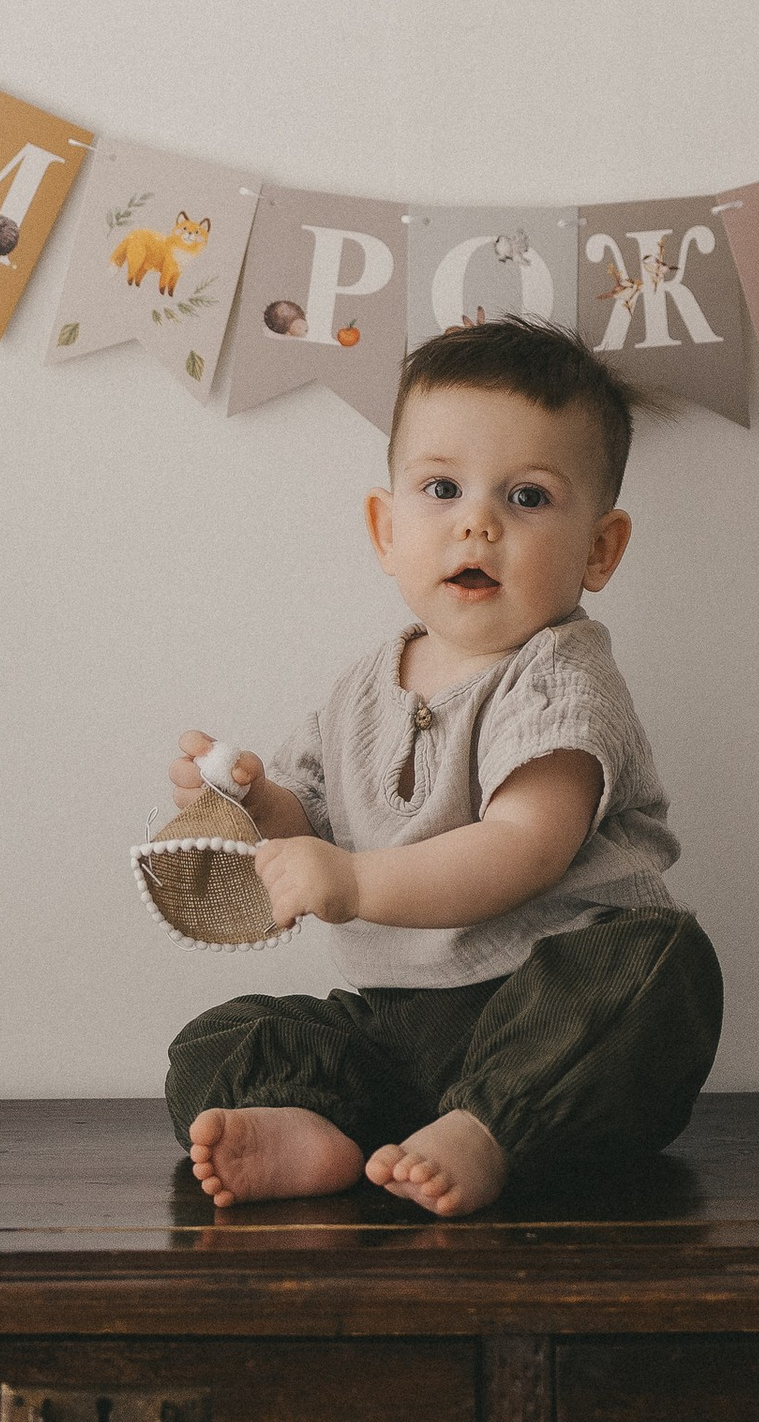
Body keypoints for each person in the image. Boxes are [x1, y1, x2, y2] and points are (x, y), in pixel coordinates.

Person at [166, 315, 722, 1218]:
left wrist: (350, 880)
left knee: (659, 968)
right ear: (386, 528)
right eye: (441, 488)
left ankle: (495, 1128)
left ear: (600, 549)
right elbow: (306, 825)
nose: (478, 522)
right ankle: (329, 1131)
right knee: (217, 1041)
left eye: (529, 498)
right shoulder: (360, 688)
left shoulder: (561, 678)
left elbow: (523, 847)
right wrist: (250, 802)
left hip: (548, 1007)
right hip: (398, 1023)